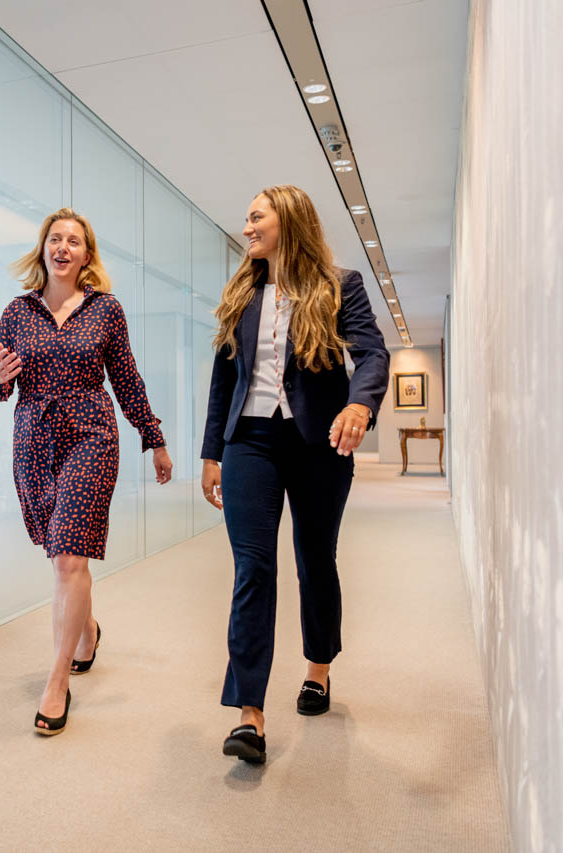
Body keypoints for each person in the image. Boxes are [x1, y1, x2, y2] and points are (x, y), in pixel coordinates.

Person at [200, 185, 389, 764]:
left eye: (256, 215)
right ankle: (249, 715)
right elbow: (224, 379)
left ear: (289, 221)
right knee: (253, 568)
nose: (247, 224)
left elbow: (373, 352)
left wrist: (359, 406)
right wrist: (212, 451)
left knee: (314, 559)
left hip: (316, 443)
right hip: (249, 444)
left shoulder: (338, 285)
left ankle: (318, 669)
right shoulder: (243, 292)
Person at [0, 208, 173, 736]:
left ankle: (57, 681)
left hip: (91, 435)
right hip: (35, 441)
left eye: (75, 241)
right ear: (43, 249)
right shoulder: (17, 312)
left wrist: (153, 438)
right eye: (55, 239)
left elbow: (127, 379)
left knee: (68, 558)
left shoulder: (106, 310)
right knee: (62, 553)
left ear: (88, 255)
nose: (64, 247)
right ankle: (85, 629)